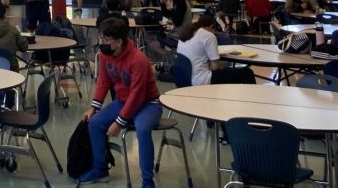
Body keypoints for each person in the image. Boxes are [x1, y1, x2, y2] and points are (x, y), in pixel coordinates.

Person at [79, 17, 162, 186]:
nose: (101, 43)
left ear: (118, 42)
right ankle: (100, 169)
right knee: (94, 123)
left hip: (148, 104)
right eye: (101, 38)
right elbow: (104, 81)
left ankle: (147, 180)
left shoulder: (138, 60)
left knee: (142, 129)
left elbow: (137, 94)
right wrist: (94, 107)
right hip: (123, 102)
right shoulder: (105, 55)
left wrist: (119, 121)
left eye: (106, 40)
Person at [177, 15, 256, 85]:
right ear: (211, 27)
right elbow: (215, 67)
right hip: (202, 79)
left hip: (183, 77)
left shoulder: (187, 33)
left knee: (228, 72)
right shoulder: (209, 36)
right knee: (247, 73)